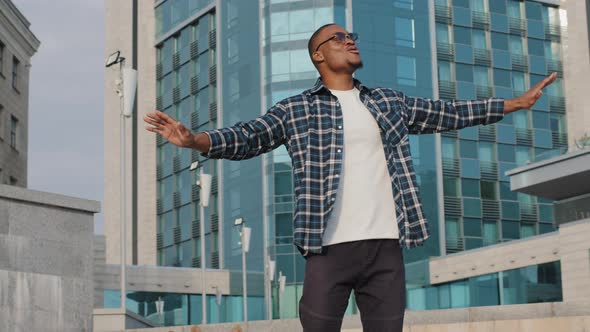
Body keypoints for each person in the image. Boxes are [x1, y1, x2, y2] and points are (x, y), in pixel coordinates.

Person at [145, 23, 557, 332]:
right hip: (328, 249)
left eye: (352, 36)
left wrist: (513, 104)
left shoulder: (388, 102)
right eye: (339, 38)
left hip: (386, 247)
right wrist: (196, 140)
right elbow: (250, 136)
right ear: (319, 55)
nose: (350, 40)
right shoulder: (296, 109)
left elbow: (446, 112)